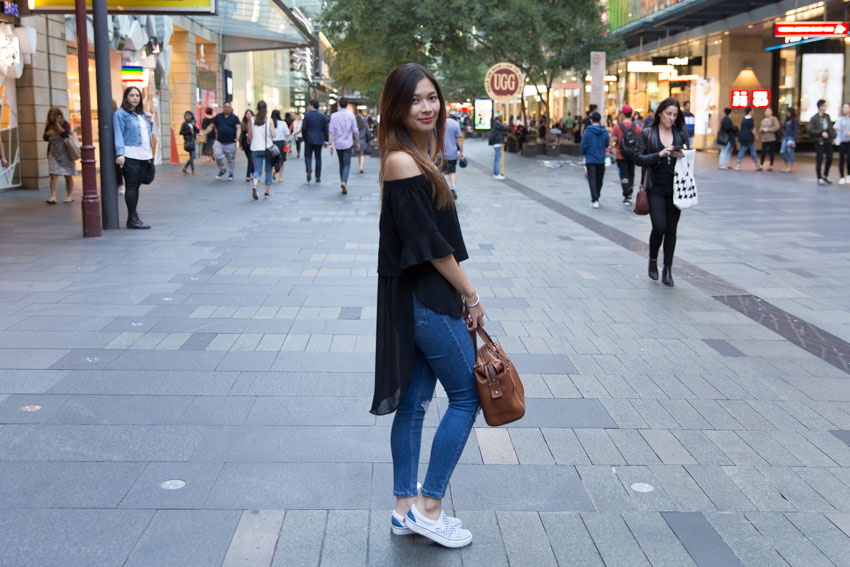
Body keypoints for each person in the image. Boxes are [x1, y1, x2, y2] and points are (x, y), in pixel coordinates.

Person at [373, 62, 482, 549]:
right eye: (415, 99)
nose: (426, 106)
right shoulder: (401, 160)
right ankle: (429, 505)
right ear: (396, 106)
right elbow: (432, 246)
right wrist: (471, 294)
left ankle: (404, 511)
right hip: (427, 299)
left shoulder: (417, 155)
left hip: (421, 298)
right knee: (468, 396)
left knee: (415, 405)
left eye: (431, 97)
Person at [634, 97, 688, 287]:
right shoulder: (648, 133)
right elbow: (638, 158)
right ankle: (653, 259)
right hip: (655, 187)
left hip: (676, 188)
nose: (671, 118)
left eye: (674, 115)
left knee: (671, 230)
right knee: (659, 226)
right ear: (659, 113)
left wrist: (683, 156)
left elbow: (689, 160)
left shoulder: (680, 134)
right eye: (668, 114)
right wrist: (659, 154)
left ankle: (668, 269)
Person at [113, 85, 154, 229]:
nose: (135, 98)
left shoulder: (142, 115)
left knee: (141, 183)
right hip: (131, 155)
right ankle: (132, 218)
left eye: (137, 95)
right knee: (131, 186)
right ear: (126, 97)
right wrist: (120, 153)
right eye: (132, 95)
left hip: (145, 154)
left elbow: (146, 135)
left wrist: (150, 122)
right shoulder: (121, 114)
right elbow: (118, 134)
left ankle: (133, 217)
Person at [42, 107, 75, 205]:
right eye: (51, 115)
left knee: (68, 174)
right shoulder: (48, 125)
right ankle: (53, 195)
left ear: (59, 116)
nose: (52, 117)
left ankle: (69, 195)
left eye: (54, 115)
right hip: (53, 153)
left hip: (66, 153)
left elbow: (65, 134)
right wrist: (48, 134)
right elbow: (45, 138)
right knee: (53, 174)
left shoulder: (64, 124)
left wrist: (57, 124)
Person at [328, 97, 360, 195]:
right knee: (347, 164)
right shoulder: (351, 116)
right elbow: (355, 131)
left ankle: (342, 181)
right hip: (348, 143)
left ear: (339, 104)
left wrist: (330, 143)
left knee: (341, 163)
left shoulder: (334, 116)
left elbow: (331, 131)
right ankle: (344, 181)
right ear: (347, 105)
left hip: (338, 143)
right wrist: (357, 142)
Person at [202, 102, 241, 181]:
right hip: (219, 142)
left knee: (230, 160)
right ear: (223, 108)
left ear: (230, 108)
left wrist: (237, 137)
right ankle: (222, 169)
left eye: (228, 107)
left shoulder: (235, 118)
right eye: (225, 107)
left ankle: (231, 173)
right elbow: (211, 126)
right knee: (217, 155)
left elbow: (238, 128)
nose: (226, 108)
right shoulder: (218, 117)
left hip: (231, 142)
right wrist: (204, 133)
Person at [611, 104, 641, 205]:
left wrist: (616, 144)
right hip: (632, 154)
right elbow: (641, 139)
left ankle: (626, 194)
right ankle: (630, 194)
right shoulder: (636, 126)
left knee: (624, 175)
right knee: (631, 174)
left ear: (623, 114)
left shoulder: (617, 126)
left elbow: (613, 140)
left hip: (621, 155)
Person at [580, 111, 609, 209]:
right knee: (599, 179)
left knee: (592, 178)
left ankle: (594, 199)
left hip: (591, 158)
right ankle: (597, 196)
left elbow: (584, 145)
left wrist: (584, 153)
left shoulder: (587, 132)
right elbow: (606, 144)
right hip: (601, 158)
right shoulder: (605, 132)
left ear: (591, 120)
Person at [248, 100, 276, 200]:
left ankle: (255, 186)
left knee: (257, 170)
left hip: (255, 148)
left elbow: (250, 136)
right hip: (267, 149)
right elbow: (273, 135)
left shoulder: (252, 119)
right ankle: (266, 192)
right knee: (268, 170)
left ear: (257, 108)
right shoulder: (269, 120)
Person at [808, 99, 834, 185]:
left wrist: (833, 137)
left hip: (828, 140)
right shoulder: (814, 118)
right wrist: (821, 132)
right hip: (819, 141)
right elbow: (810, 130)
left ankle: (825, 175)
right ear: (820, 107)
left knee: (830, 158)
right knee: (819, 159)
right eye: (824, 106)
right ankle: (819, 177)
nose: (825, 107)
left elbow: (830, 128)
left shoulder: (827, 116)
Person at [302, 99, 328, 183]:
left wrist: (304, 137)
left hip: (309, 139)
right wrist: (326, 141)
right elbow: (326, 129)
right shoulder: (322, 116)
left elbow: (303, 128)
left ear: (312, 105)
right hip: (319, 139)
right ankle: (318, 176)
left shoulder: (307, 115)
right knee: (318, 158)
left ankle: (308, 168)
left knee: (308, 156)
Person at [440, 113, 464, 200]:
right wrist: (461, 151)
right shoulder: (455, 123)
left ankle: (442, 189)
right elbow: (459, 140)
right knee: (452, 171)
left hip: (440, 153)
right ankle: (453, 187)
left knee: (441, 172)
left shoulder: (437, 123)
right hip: (452, 153)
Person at [735, 106, 759, 171]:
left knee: (742, 149)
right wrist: (756, 136)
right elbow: (752, 129)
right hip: (749, 137)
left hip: (743, 137)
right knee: (752, 150)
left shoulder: (743, 119)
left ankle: (738, 163)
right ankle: (756, 164)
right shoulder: (750, 119)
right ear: (750, 111)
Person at [270, 109, 289, 183]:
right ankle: (280, 177)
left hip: (272, 143)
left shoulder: (270, 123)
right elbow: (287, 133)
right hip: (281, 143)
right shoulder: (283, 123)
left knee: (272, 159)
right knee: (282, 160)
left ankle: (273, 170)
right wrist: (286, 142)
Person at [179, 111, 199, 175]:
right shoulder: (184, 124)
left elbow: (197, 131)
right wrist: (188, 131)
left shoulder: (192, 123)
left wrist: (194, 126)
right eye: (186, 115)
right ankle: (192, 170)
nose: (188, 117)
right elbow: (181, 132)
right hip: (188, 141)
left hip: (193, 141)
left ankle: (186, 168)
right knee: (193, 156)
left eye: (189, 115)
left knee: (192, 156)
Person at [489, 112, 507, 180]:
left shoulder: (495, 122)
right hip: (497, 142)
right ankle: (497, 173)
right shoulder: (497, 123)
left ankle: (496, 173)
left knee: (497, 158)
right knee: (498, 159)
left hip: (496, 142)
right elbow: (504, 128)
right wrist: (505, 124)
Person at [835, 103, 850, 184]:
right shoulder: (840, 118)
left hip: (849, 142)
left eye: (846, 107)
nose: (844, 109)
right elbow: (835, 127)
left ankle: (848, 175)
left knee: (849, 160)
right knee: (841, 159)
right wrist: (837, 128)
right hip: (842, 142)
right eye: (843, 107)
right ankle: (841, 177)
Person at [780, 107, 798, 173]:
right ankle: (787, 164)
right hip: (786, 136)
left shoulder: (794, 120)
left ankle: (790, 166)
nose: (787, 113)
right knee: (782, 151)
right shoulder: (788, 120)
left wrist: (794, 140)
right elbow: (784, 127)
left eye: (788, 112)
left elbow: (796, 130)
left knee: (790, 151)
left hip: (791, 137)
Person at [240, 110, 254, 181]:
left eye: (250, 113)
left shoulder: (254, 122)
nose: (248, 115)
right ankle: (254, 174)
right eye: (247, 113)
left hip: (252, 143)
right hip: (245, 143)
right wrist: (240, 144)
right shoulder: (243, 123)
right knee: (249, 159)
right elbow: (241, 134)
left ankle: (248, 175)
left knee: (250, 159)